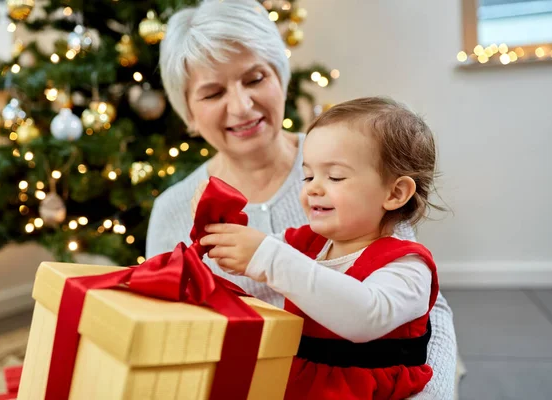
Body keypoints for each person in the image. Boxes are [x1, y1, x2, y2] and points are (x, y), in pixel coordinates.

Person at [146, 0, 457, 398]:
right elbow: (168, 335)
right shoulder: (173, 208)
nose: (241, 106)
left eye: (255, 79)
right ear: (187, 111)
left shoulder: (358, 171)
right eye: (212, 92)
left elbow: (426, 312)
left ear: (280, 77)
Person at [200, 97, 441, 399]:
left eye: (335, 176)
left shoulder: (407, 265)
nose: (313, 188)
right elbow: (246, 257)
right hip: (298, 380)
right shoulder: (309, 242)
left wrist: (269, 258)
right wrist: (219, 231)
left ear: (395, 193)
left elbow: (365, 316)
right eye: (308, 175)